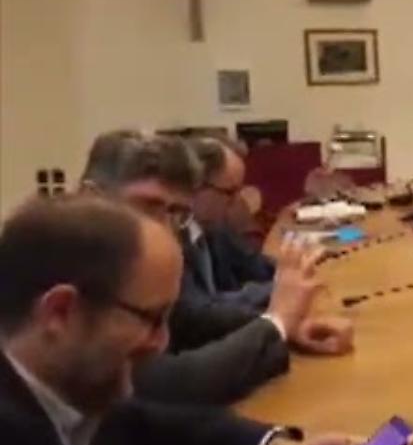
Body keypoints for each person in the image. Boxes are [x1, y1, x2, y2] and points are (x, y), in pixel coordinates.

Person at [0, 195, 356, 445]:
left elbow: (148, 426)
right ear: (60, 313)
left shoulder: (74, 390)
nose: (162, 341)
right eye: (151, 320)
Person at [80, 131, 354, 404]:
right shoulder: (74, 279)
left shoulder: (146, 259)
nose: (162, 229)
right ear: (92, 197)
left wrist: (284, 328)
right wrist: (278, 322)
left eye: (174, 213)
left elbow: (161, 403)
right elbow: (173, 384)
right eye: (148, 207)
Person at [186, 136, 275, 311]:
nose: (237, 201)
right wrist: (280, 290)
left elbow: (257, 265)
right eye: (230, 192)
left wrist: (295, 271)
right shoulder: (173, 237)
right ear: (196, 187)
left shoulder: (216, 226)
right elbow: (200, 310)